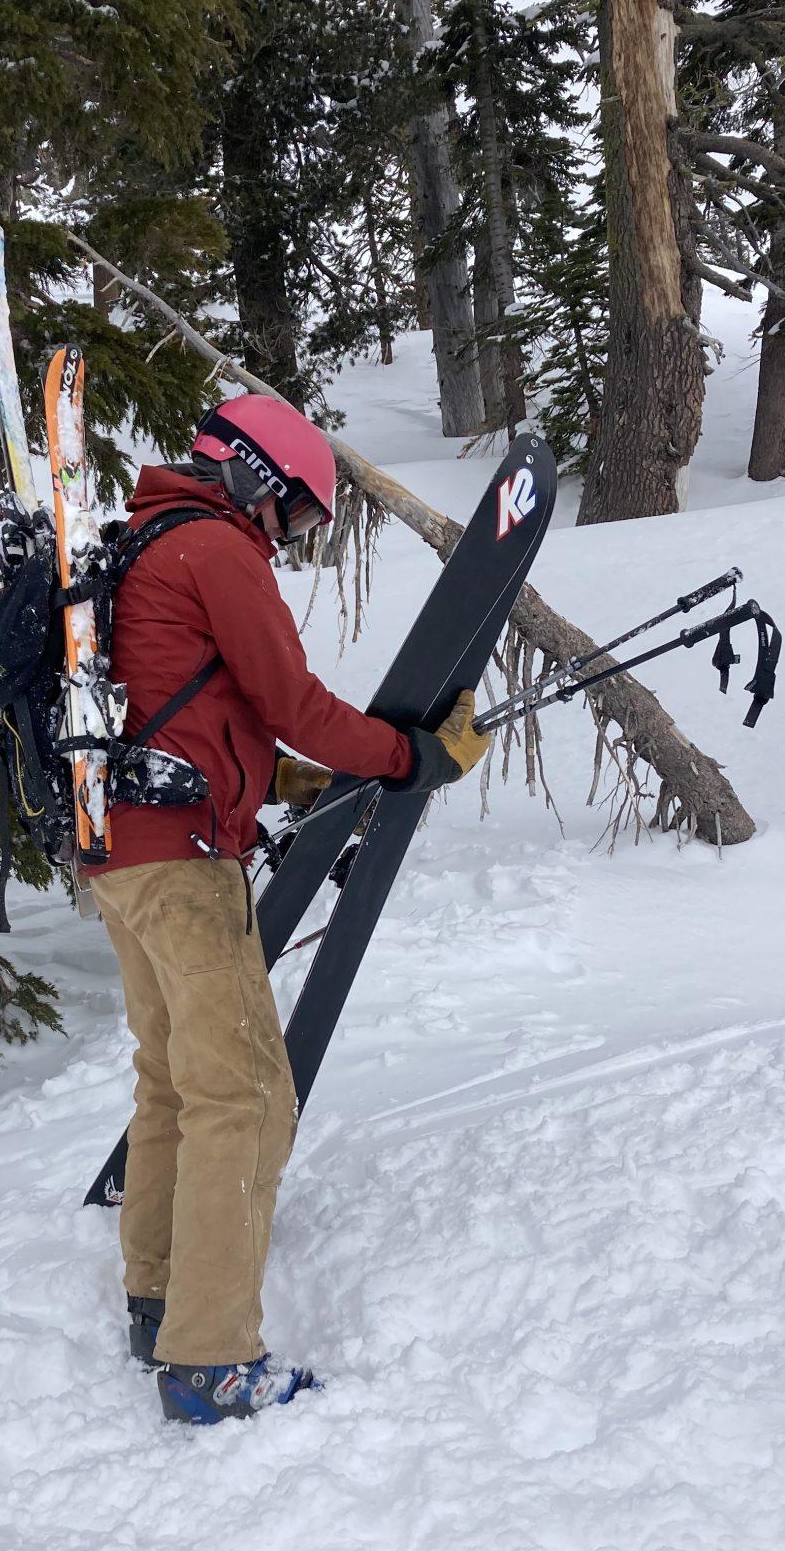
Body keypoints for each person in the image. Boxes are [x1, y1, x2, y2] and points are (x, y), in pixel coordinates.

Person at [86, 395, 489, 1425]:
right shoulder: (217, 550)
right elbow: (288, 699)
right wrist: (410, 758)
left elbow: (192, 713)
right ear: (256, 479)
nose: (296, 535)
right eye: (301, 514)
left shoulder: (142, 542)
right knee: (249, 1096)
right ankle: (211, 1359)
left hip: (123, 854)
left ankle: (158, 1298)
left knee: (175, 1081)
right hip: (178, 863)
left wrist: (296, 783)